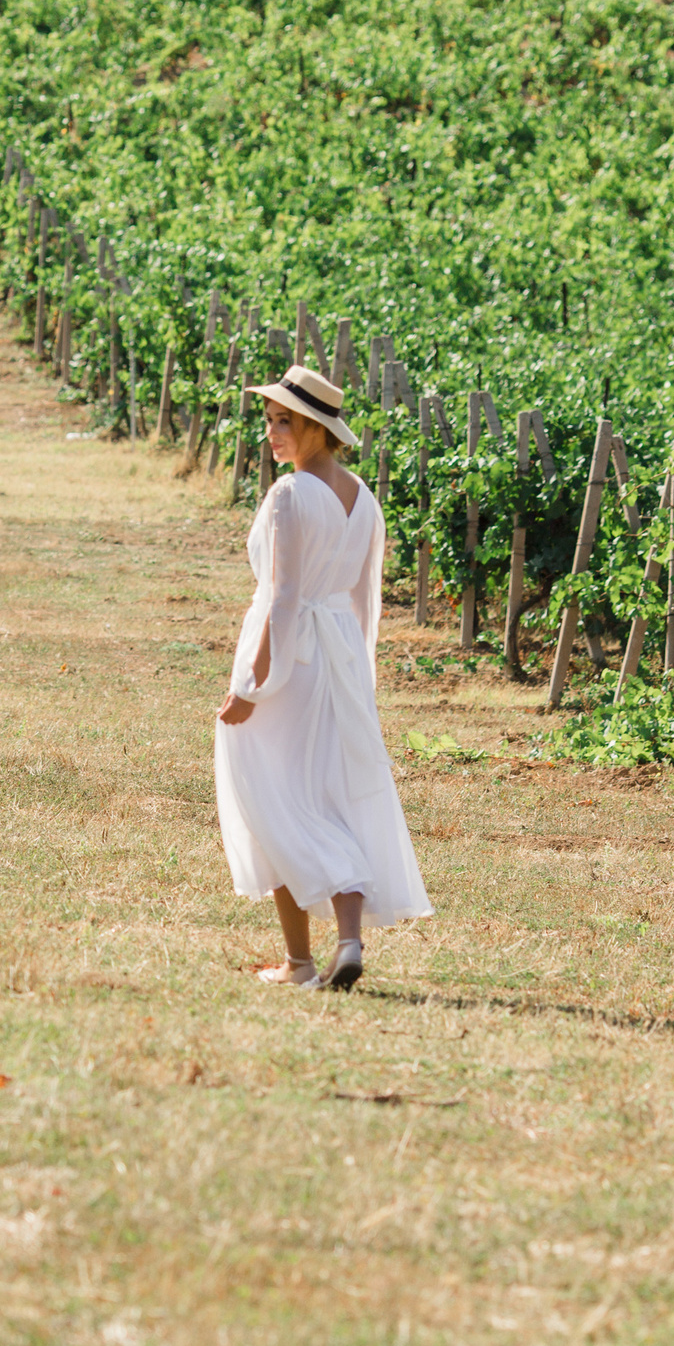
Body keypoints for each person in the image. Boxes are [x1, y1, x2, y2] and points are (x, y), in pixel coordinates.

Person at [214, 364, 432, 989]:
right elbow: (365, 599)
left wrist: (252, 685)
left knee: (271, 797)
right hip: (335, 656)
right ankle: (347, 940)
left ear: (315, 426)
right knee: (326, 794)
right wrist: (359, 674)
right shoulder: (362, 496)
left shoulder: (289, 493)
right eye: (270, 421)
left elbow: (283, 599)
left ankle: (302, 961)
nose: (272, 434)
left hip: (288, 656)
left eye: (284, 421)